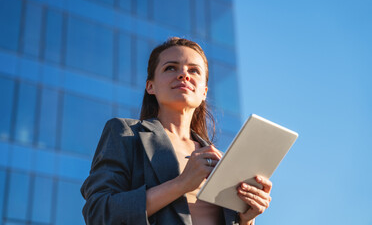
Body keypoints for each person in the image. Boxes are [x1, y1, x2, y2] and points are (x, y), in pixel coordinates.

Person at [80, 37, 272, 225]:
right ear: (150, 86)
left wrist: (246, 219)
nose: (184, 75)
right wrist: (181, 184)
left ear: (204, 92)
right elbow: (99, 213)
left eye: (194, 71)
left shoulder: (219, 159)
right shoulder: (126, 134)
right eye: (170, 67)